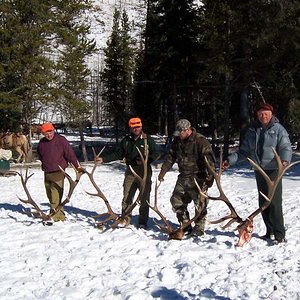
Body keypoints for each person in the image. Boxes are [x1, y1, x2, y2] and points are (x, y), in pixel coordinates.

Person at [222, 102, 292, 243]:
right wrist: (230, 160)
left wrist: (284, 161)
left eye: (266, 113)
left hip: (274, 170)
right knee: (263, 202)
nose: (263, 116)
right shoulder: (253, 130)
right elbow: (244, 151)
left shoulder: (278, 129)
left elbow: (285, 146)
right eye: (260, 114)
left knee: (274, 202)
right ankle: (269, 231)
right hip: (259, 170)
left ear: (271, 114)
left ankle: (280, 234)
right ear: (257, 115)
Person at [96, 117, 161, 229]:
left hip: (144, 174)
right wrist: (104, 159)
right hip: (130, 173)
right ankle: (125, 218)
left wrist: (146, 159)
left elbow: (157, 153)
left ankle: (142, 221)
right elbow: (118, 154)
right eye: (134, 127)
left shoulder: (147, 139)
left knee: (144, 198)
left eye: (138, 126)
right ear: (130, 128)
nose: (136, 129)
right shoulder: (126, 141)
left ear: (141, 126)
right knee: (127, 197)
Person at [158, 119, 215, 236]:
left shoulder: (200, 141)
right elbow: (171, 156)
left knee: (200, 203)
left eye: (180, 133)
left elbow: (209, 161)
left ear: (187, 130)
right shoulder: (177, 141)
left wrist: (210, 178)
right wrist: (163, 171)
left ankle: (199, 228)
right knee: (176, 200)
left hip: (198, 177)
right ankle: (185, 223)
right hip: (183, 176)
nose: (179, 135)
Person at [37, 123, 81, 223]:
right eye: (46, 133)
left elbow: (70, 154)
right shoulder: (42, 143)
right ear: (43, 133)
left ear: (53, 131)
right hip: (47, 171)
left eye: (50, 132)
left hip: (59, 171)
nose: (49, 135)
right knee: (50, 195)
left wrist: (77, 167)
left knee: (55, 195)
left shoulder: (61, 140)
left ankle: (56, 217)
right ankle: (59, 214)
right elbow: (40, 155)